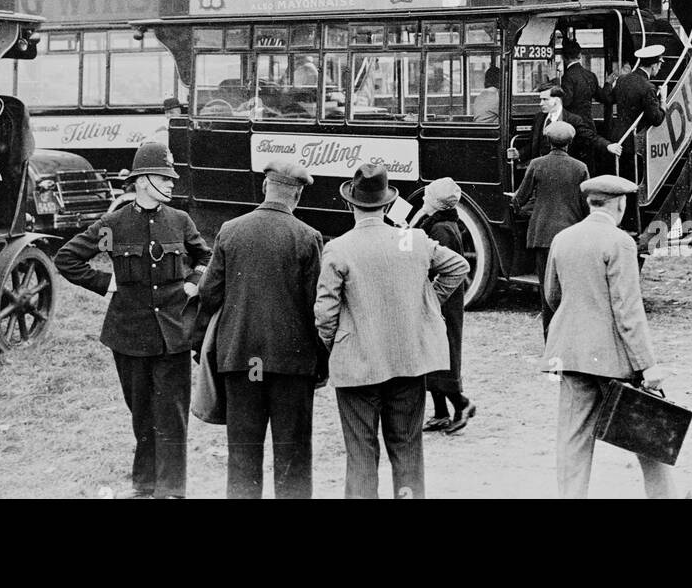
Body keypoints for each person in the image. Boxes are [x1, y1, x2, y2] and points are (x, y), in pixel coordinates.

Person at [53, 140, 211, 499]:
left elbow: (206, 258)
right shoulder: (113, 224)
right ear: (142, 181)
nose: (172, 184)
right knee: (141, 414)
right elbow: (67, 259)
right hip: (129, 335)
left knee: (172, 414)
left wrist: (192, 283)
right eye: (163, 178)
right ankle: (144, 486)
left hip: (172, 334)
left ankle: (171, 490)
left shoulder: (180, 221)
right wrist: (105, 282)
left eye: (172, 178)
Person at [314, 163, 468, 499]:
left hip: (358, 365)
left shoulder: (338, 248)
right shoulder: (413, 239)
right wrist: (428, 300)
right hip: (408, 361)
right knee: (407, 450)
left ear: (350, 204)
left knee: (361, 455)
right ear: (386, 205)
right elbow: (459, 266)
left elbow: (325, 315)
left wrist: (335, 346)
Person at [190, 160, 325, 499]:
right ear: (297, 195)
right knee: (293, 454)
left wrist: (201, 348)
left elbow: (208, 295)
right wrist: (320, 365)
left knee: (243, 454)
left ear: (266, 187)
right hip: (291, 367)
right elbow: (317, 308)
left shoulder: (230, 230)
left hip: (242, 364)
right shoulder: (308, 237)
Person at [543, 174, 674, 498]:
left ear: (590, 202)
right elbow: (628, 311)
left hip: (571, 353)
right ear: (619, 203)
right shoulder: (621, 243)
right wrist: (648, 365)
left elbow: (551, 294)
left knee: (573, 441)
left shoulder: (563, 238)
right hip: (613, 359)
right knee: (647, 435)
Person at [514, 119, 589, 335]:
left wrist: (529, 211)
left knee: (546, 291)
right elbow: (586, 204)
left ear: (548, 141)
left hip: (543, 236)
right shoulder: (580, 168)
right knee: (569, 287)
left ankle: (550, 338)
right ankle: (570, 337)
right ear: (570, 142)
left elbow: (520, 198)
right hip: (570, 237)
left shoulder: (536, 164)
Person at [418, 178, 476, 434]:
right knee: (433, 355)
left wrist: (432, 297)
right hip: (442, 301)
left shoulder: (440, 229)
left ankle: (461, 404)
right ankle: (441, 412)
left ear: (435, 203)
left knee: (441, 354)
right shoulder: (443, 223)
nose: (422, 200)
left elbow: (437, 266)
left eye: (427, 196)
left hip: (441, 302)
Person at [606, 43, 666, 153]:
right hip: (634, 141)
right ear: (654, 66)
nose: (660, 68)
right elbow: (657, 119)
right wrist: (663, 99)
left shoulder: (622, 79)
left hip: (616, 136)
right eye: (659, 65)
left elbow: (611, 99)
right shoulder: (648, 87)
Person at [559, 38, 606, 120]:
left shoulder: (567, 77)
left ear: (563, 57)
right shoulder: (590, 75)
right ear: (580, 55)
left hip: (574, 123)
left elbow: (566, 101)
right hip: (589, 123)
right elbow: (602, 97)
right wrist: (608, 83)